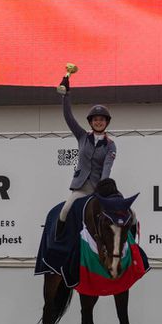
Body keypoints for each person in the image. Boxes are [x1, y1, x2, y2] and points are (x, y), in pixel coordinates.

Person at [56, 74, 116, 228]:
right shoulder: (82, 136)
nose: (98, 122)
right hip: (81, 189)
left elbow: (107, 167)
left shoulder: (110, 145)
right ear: (91, 122)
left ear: (106, 122)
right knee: (64, 211)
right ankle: (59, 241)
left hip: (99, 190)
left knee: (124, 213)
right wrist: (66, 95)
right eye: (95, 119)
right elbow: (68, 117)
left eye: (101, 120)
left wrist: (102, 188)